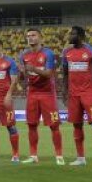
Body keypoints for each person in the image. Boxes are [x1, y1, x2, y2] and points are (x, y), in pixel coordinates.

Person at [60, 26, 92, 167]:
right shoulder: (66, 52)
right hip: (73, 95)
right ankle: (81, 158)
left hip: (88, 93)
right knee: (77, 125)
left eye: (73, 34)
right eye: (70, 33)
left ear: (81, 36)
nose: (70, 36)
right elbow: (65, 74)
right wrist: (64, 93)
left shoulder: (91, 51)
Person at [20, 28, 63, 165]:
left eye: (33, 35)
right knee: (32, 125)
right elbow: (24, 77)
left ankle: (59, 156)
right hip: (32, 93)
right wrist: (22, 72)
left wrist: (34, 69)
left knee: (54, 125)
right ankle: (33, 156)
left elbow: (49, 74)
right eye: (28, 36)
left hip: (47, 94)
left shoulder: (48, 54)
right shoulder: (24, 55)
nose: (30, 38)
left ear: (40, 38)